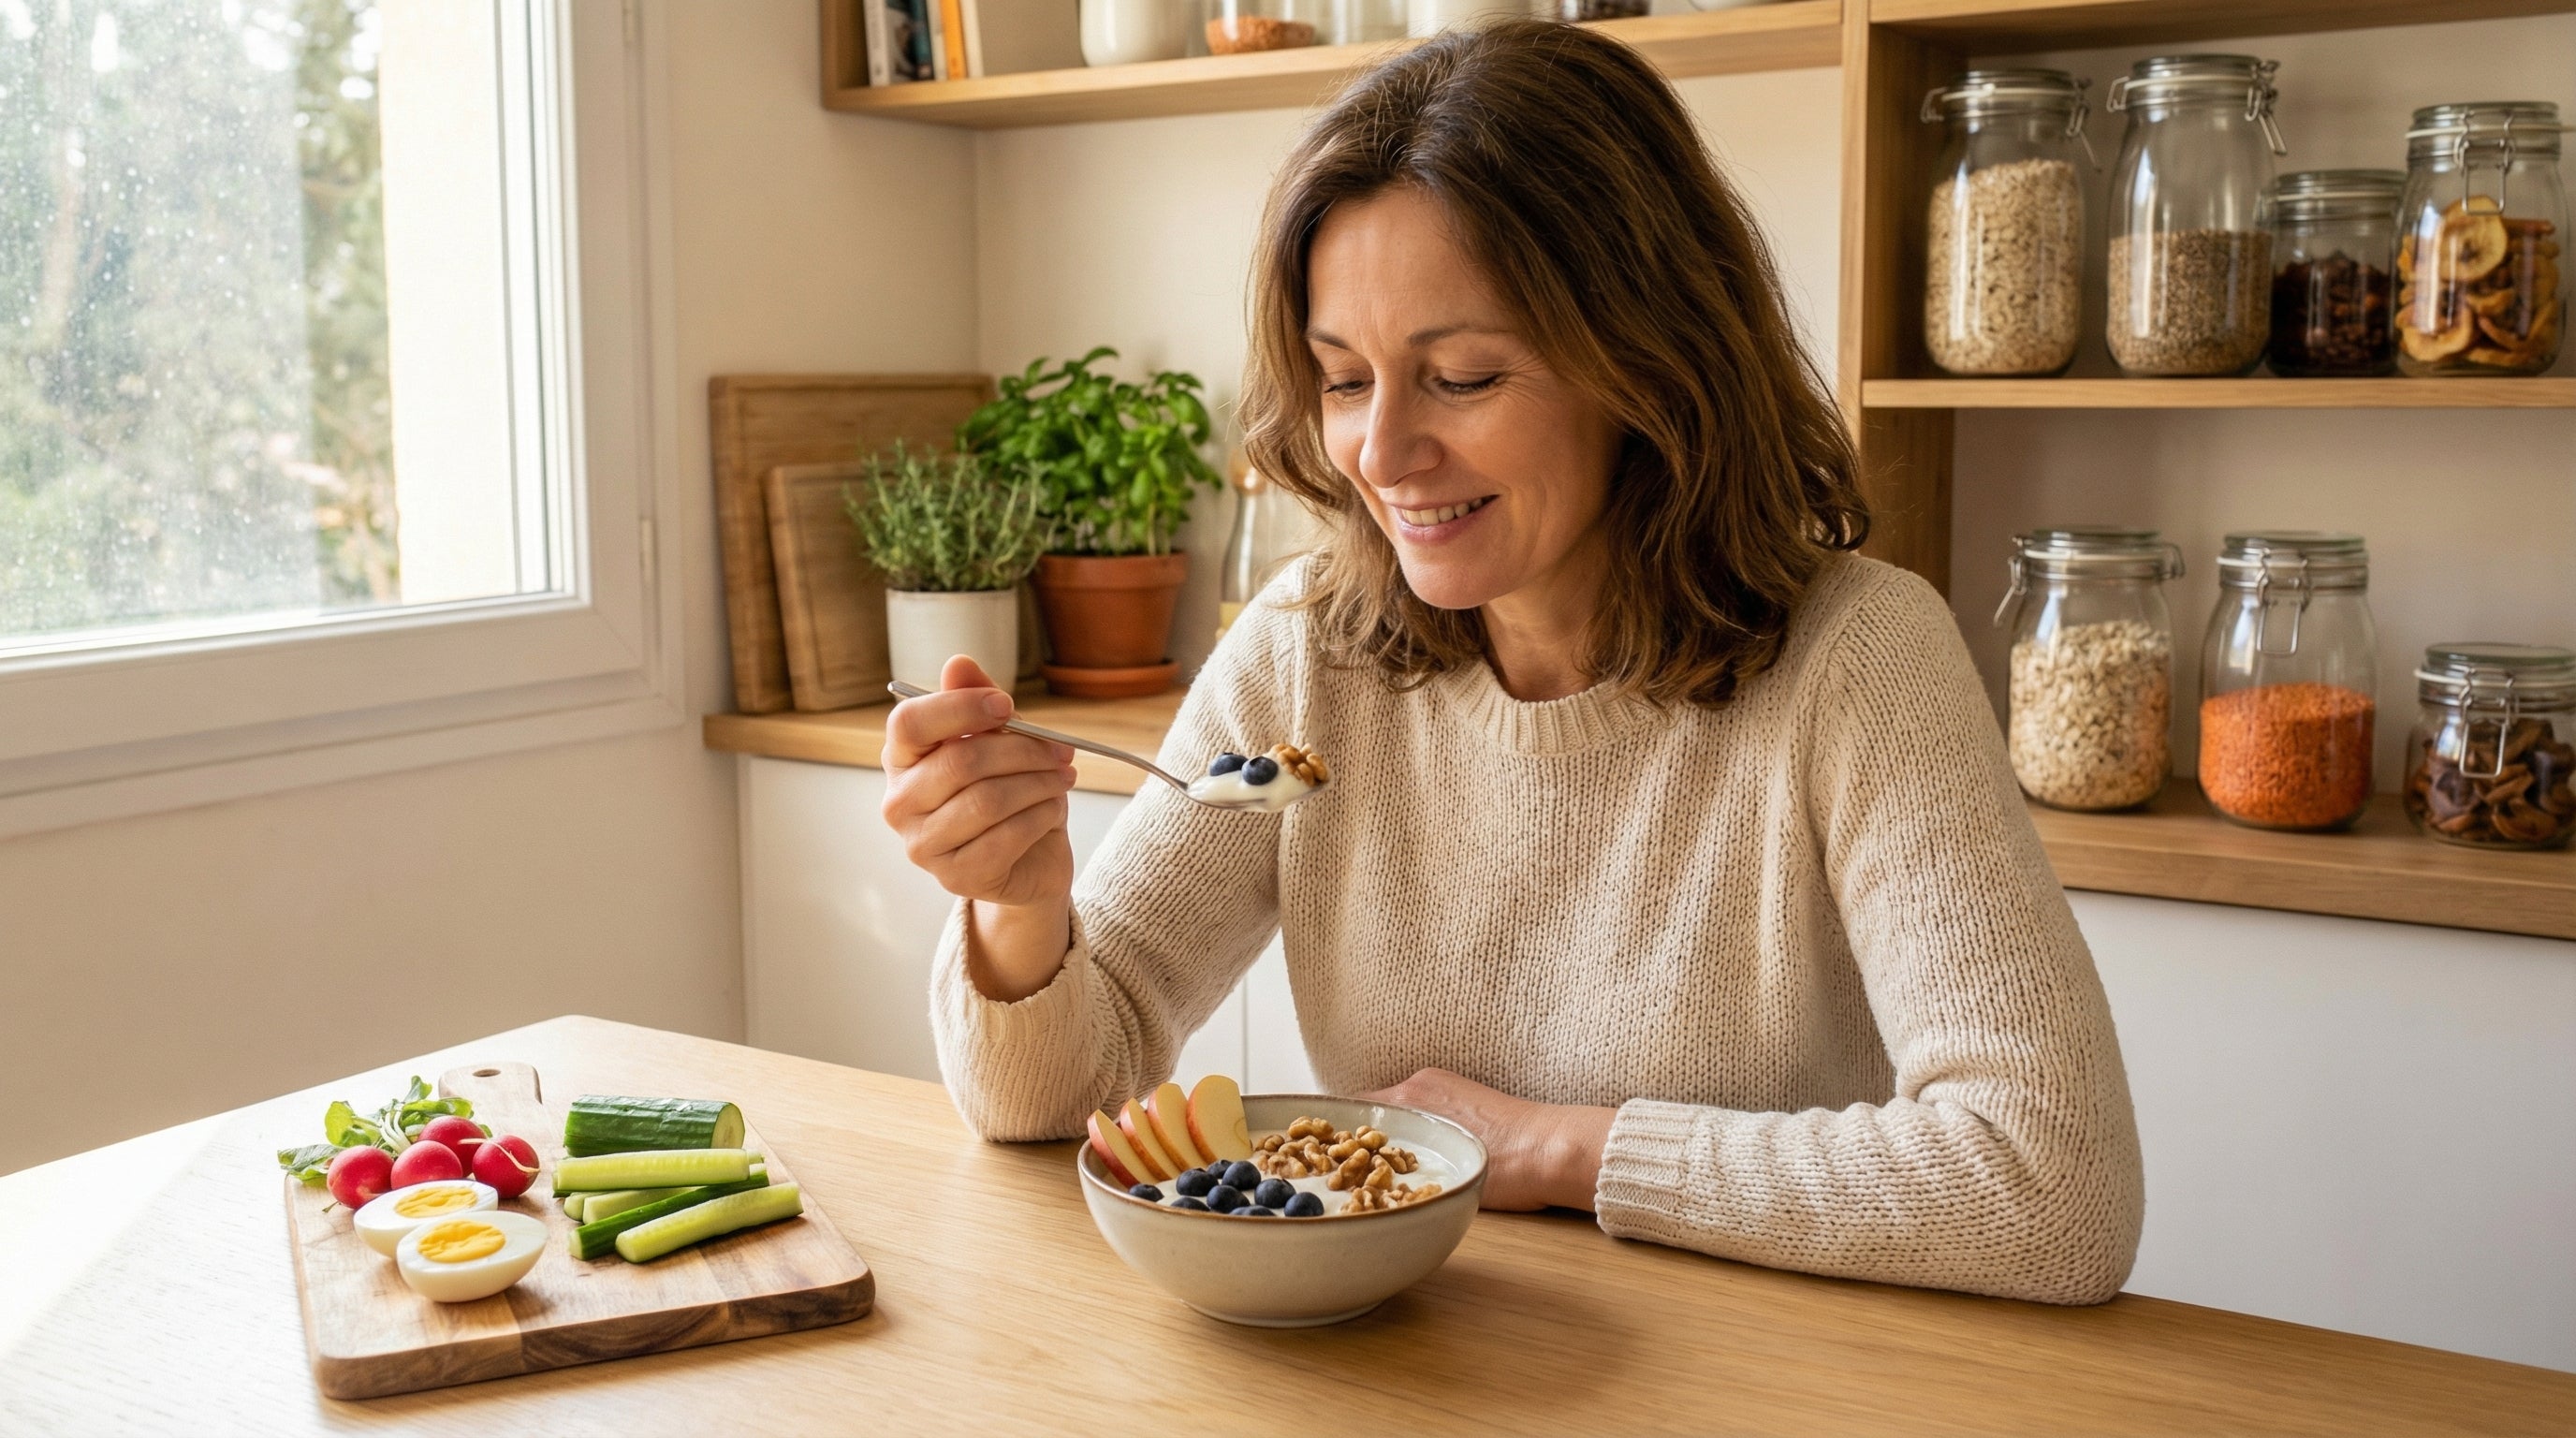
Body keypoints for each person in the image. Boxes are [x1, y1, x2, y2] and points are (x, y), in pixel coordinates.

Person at [881, 19, 2144, 1304]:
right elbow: (1052, 1105)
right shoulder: (1310, 653)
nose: (1382, 455)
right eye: (1343, 380)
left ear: (1649, 364)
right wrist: (1019, 907)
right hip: (1408, 1360)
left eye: (1465, 377)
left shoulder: (1859, 660)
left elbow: (2053, 1189)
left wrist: (1554, 1149)